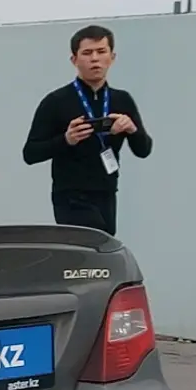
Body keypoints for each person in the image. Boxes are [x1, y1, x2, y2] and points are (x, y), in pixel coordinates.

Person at [21, 24, 152, 235]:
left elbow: (144, 150)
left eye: (101, 51)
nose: (95, 59)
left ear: (112, 57)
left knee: (104, 246)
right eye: (87, 53)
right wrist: (66, 139)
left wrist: (132, 129)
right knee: (89, 242)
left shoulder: (122, 100)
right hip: (70, 195)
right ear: (74, 60)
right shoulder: (56, 101)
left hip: (106, 191)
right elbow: (30, 153)